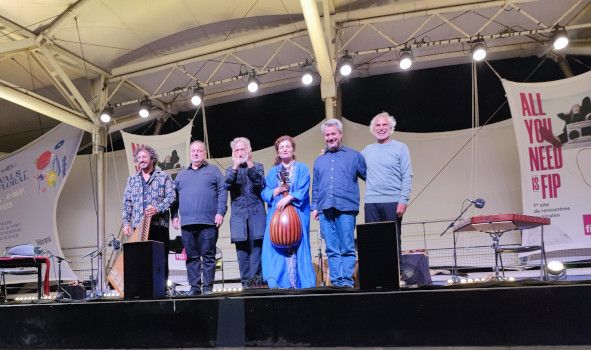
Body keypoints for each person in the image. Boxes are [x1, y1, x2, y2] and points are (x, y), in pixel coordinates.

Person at [311, 119, 366, 288]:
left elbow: (369, 176)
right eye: (327, 135)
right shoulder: (319, 160)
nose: (330, 137)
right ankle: (336, 282)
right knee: (332, 249)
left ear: (340, 134)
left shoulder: (354, 156)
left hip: (346, 208)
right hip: (325, 209)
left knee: (347, 247)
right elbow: (316, 186)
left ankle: (346, 282)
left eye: (333, 133)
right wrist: (314, 206)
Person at [171, 141, 227, 296]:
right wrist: (174, 216)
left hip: (208, 222)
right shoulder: (182, 174)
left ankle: (208, 289)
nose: (196, 153)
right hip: (187, 224)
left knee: (209, 256)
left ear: (205, 154)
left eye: (199, 151)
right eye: (193, 151)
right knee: (191, 258)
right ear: (189, 153)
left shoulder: (214, 171)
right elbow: (173, 198)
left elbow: (223, 193)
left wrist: (220, 212)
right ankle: (195, 289)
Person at [261, 135, 316, 289]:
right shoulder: (273, 172)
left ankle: (301, 284)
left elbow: (303, 189)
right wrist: (276, 191)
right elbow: (264, 192)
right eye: (281, 147)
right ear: (278, 153)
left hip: (297, 215)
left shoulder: (302, 168)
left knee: (299, 245)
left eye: (288, 146)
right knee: (277, 248)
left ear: (293, 149)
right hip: (277, 217)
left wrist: (289, 197)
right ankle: (280, 283)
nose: (285, 149)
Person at [121, 145, 175, 280]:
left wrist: (158, 208)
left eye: (144, 157)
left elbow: (172, 197)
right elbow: (127, 202)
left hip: (159, 226)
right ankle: (143, 291)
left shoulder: (163, 177)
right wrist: (126, 223)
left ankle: (161, 290)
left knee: (160, 260)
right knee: (140, 260)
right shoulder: (132, 180)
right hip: (138, 228)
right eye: (139, 158)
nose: (141, 160)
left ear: (152, 158)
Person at [361, 112, 413, 248]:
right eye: (377, 125)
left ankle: (395, 270)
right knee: (373, 243)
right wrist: (327, 152)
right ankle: (376, 270)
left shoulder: (401, 148)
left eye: (385, 125)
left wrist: (403, 200)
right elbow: (353, 167)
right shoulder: (367, 150)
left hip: (393, 202)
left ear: (391, 128)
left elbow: (407, 176)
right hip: (371, 203)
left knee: (392, 242)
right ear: (373, 129)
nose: (381, 128)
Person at [224, 137, 266, 288]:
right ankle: (246, 286)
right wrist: (235, 166)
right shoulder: (230, 170)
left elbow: (259, 182)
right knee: (242, 253)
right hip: (239, 218)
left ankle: (256, 285)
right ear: (233, 153)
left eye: (243, 149)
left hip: (256, 215)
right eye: (237, 150)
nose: (240, 152)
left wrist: (249, 164)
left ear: (249, 151)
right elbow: (227, 184)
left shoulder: (258, 166)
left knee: (257, 251)